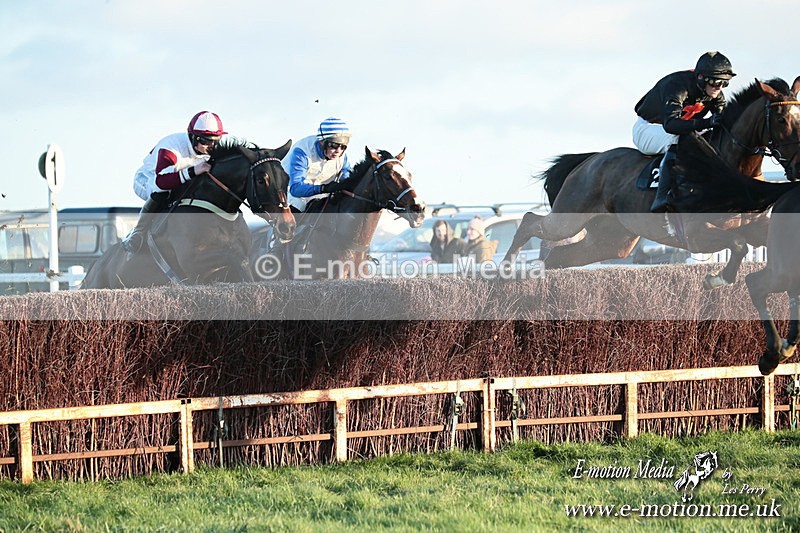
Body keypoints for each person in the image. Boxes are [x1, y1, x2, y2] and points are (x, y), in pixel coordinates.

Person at [633, 51, 736, 213]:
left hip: (680, 130)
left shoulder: (715, 93)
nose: (719, 87)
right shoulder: (676, 86)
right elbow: (671, 125)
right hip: (649, 128)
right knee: (680, 139)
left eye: (725, 83)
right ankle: (662, 197)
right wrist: (707, 122)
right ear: (701, 77)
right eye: (716, 82)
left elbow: (724, 122)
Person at [122, 111, 227, 253]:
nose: (212, 146)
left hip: (173, 176)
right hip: (148, 178)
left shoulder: (208, 150)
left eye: (216, 141)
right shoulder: (171, 147)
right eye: (206, 141)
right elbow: (161, 182)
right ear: (193, 138)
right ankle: (138, 233)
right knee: (162, 191)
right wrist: (193, 171)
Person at [282, 117, 353, 214]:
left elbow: (347, 180)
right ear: (322, 142)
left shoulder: (342, 157)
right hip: (293, 193)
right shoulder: (302, 152)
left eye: (343, 146)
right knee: (298, 205)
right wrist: (324, 188)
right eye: (334, 145)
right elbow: (296, 189)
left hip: (322, 193)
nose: (338, 151)